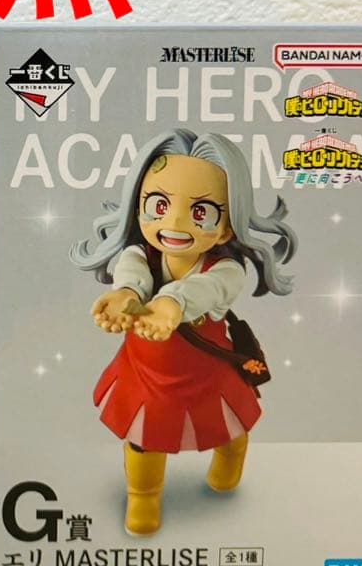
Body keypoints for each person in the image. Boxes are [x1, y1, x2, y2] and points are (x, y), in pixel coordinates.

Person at [70, 128, 295, 535]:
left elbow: (207, 289)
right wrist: (126, 295)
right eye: (158, 205)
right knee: (144, 437)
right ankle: (143, 495)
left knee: (231, 430)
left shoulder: (226, 269)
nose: (173, 222)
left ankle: (229, 464)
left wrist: (171, 304)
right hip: (146, 373)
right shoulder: (139, 255)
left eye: (201, 212)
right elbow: (133, 273)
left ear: (227, 227)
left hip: (206, 371)